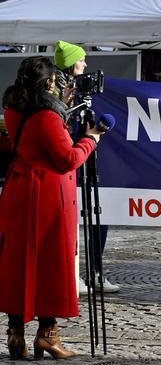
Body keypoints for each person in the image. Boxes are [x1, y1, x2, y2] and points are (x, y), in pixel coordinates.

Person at [0, 56, 105, 359]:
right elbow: (67, 159)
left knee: (18, 262)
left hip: (19, 192)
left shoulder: (14, 110)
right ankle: (48, 333)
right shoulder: (46, 116)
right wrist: (91, 139)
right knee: (51, 262)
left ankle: (15, 333)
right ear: (48, 83)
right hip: (47, 196)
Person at [53, 40, 119, 294]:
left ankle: (95, 272)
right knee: (71, 223)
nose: (85, 63)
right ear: (71, 65)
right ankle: (73, 273)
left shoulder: (79, 92)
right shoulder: (57, 93)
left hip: (85, 162)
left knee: (99, 218)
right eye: (81, 59)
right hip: (68, 167)